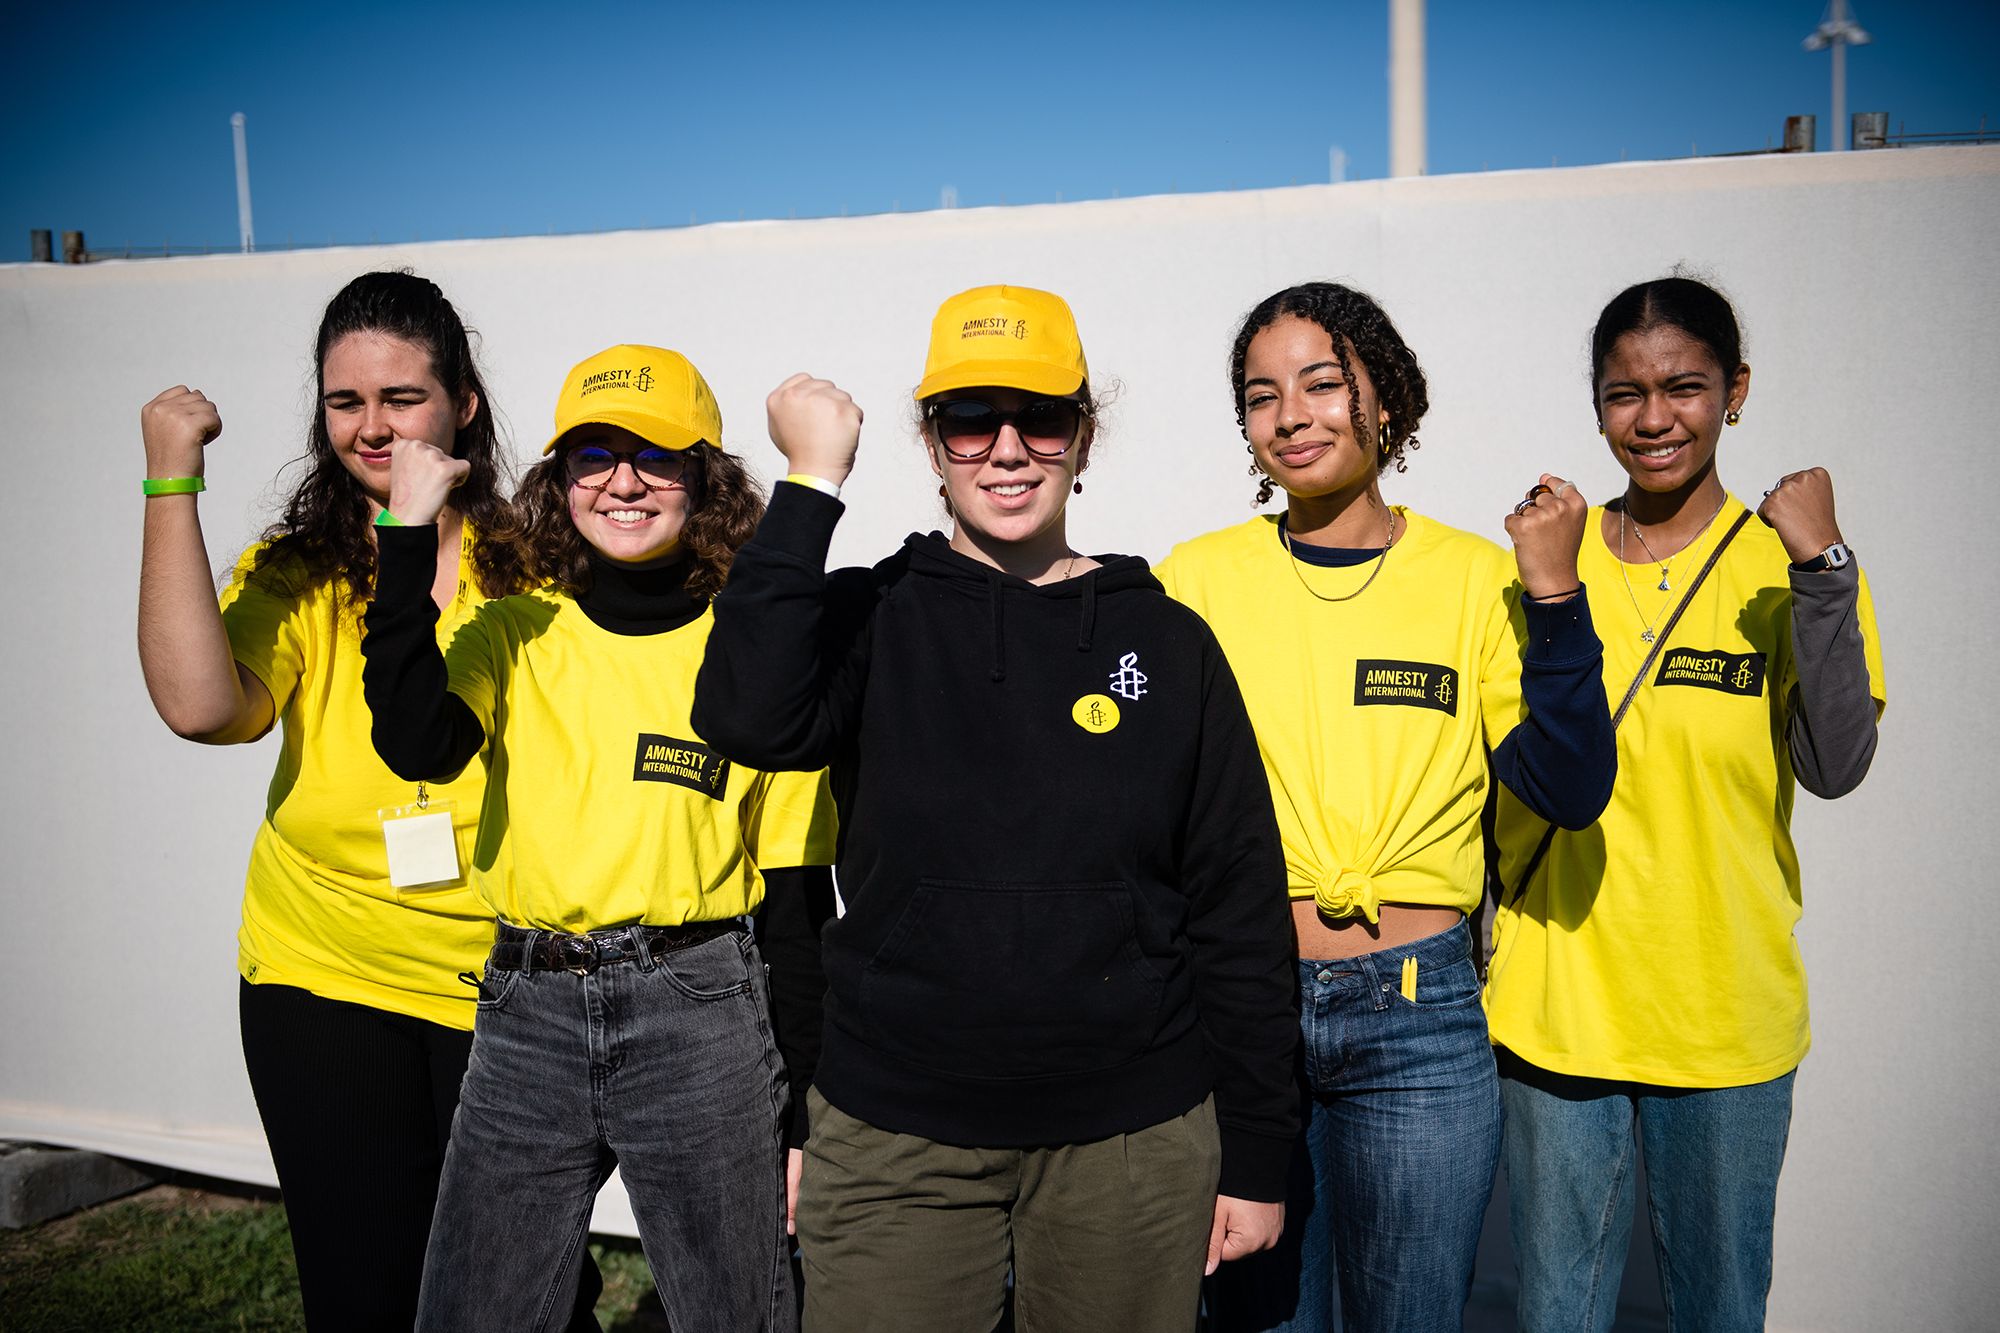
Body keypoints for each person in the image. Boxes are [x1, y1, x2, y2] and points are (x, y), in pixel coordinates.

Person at [691, 285, 1300, 1333]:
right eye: (970, 419)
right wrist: (809, 481)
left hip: (1131, 1137)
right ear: (930, 442)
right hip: (895, 1134)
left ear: (1082, 437)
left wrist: (1255, 1150)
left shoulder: (1168, 644)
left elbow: (1235, 905)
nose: (1006, 448)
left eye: (1041, 418)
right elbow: (744, 713)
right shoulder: (868, 617)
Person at [134, 270, 594, 1332]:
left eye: (402, 397)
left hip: (509, 980)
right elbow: (202, 707)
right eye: (346, 402)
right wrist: (170, 482)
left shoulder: (536, 569)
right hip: (324, 972)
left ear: (462, 404)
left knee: (532, 1298)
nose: (373, 425)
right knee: (364, 1295)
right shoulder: (299, 572)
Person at [1156, 280, 1619, 1333]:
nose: (1290, 414)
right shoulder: (1195, 580)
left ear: (1386, 400)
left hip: (1417, 1018)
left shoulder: (1471, 579)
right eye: (1260, 393)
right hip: (1240, 1010)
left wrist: (1552, 598)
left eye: (1322, 382)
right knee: (1256, 1317)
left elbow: (1567, 785)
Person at [361, 343, 837, 1333]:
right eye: (593, 454)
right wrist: (403, 532)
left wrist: (803, 1110)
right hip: (527, 1012)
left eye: (655, 457)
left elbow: (794, 896)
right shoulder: (512, 629)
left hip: (700, 1006)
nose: (623, 481)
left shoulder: (752, 652)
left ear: (703, 477)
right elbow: (415, 738)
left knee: (735, 1314)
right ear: (558, 478)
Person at [1483, 275, 1885, 1333]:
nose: (1652, 418)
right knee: (1555, 1314)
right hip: (1559, 1007)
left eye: (1683, 387)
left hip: (1723, 1015)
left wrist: (1824, 568)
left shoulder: (1784, 567)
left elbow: (1835, 761)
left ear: (1734, 391)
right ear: (1595, 403)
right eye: (1624, 394)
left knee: (1716, 1310)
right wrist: (1545, 583)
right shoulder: (1541, 564)